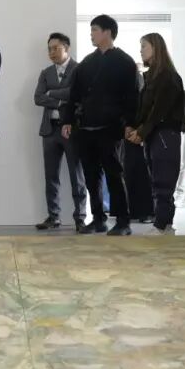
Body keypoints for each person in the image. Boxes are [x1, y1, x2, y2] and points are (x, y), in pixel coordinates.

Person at [60, 14, 139, 236]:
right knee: (91, 176)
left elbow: (132, 97)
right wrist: (67, 120)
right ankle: (98, 219)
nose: (91, 34)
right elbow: (74, 95)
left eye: (95, 30)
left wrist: (130, 124)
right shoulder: (86, 63)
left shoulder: (125, 62)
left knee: (114, 175)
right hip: (86, 128)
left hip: (111, 128)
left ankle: (123, 221)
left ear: (108, 32)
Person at [127, 33, 184, 235]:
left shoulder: (168, 76)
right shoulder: (151, 77)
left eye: (144, 46)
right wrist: (134, 127)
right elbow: (145, 109)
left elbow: (159, 111)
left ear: (156, 48)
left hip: (165, 134)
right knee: (157, 179)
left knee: (163, 180)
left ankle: (161, 224)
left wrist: (141, 131)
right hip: (154, 134)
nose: (141, 50)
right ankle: (165, 224)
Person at [33, 32, 86, 231]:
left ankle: (80, 217)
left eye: (55, 48)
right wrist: (61, 101)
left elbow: (77, 94)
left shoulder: (79, 69)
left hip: (72, 129)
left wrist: (52, 93)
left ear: (67, 48)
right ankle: (53, 216)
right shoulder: (45, 73)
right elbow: (38, 98)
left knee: (76, 175)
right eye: (49, 49)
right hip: (50, 130)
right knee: (51, 176)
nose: (51, 52)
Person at [123, 67, 155, 225]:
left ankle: (147, 211)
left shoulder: (142, 87)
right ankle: (134, 210)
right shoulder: (125, 90)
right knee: (129, 172)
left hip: (141, 133)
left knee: (142, 173)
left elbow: (146, 112)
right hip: (128, 134)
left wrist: (139, 131)